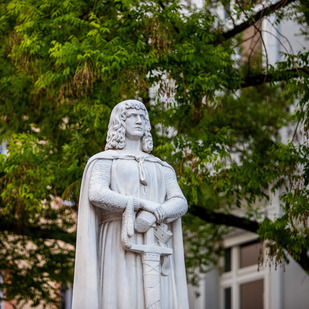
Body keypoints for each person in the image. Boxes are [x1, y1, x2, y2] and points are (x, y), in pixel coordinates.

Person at [72, 100, 189, 309]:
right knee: (121, 294)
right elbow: (97, 193)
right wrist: (139, 204)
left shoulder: (162, 167)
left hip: (156, 241)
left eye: (143, 117)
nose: (139, 120)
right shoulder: (104, 161)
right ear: (119, 122)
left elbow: (180, 202)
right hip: (118, 239)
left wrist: (155, 214)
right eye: (132, 116)